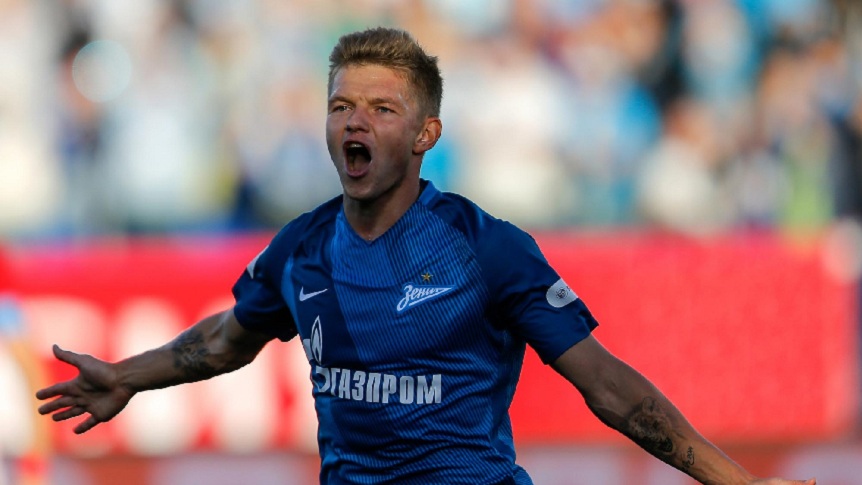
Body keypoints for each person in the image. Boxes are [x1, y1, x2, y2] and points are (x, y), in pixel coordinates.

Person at [36, 27, 815, 485]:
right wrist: (128, 376)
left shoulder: (487, 247)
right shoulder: (301, 246)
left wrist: (733, 480)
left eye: (382, 108)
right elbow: (226, 339)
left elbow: (609, 388)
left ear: (425, 134)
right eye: (341, 105)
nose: (356, 122)